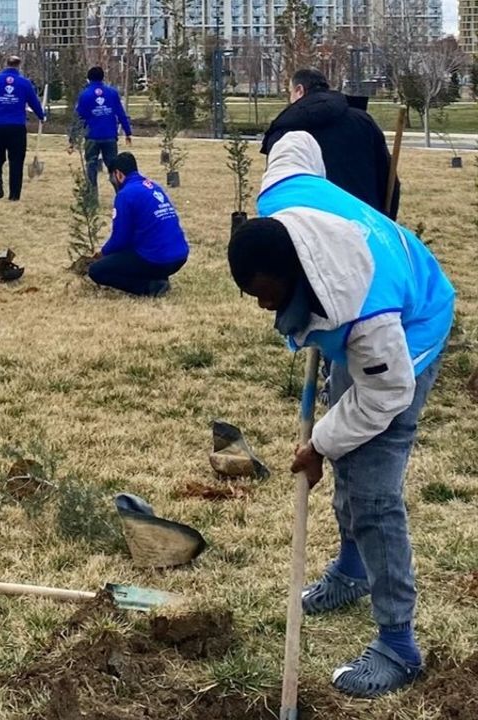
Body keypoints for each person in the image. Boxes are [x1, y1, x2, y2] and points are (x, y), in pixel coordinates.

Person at [228, 131, 455, 699]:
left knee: (372, 487)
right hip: (359, 310)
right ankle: (353, 571)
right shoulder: (280, 200)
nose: (264, 306)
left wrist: (320, 445)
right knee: (345, 437)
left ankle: (398, 645)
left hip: (411, 326)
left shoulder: (368, 320)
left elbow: (384, 394)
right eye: (254, 296)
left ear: (295, 272)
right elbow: (295, 146)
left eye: (268, 294)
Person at [262, 68, 399, 219]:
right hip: (364, 220)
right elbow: (388, 179)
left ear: (299, 90)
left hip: (309, 224)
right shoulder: (363, 121)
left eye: (290, 92)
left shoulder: (285, 132)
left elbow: (277, 188)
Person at [86, 153, 187, 297]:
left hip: (158, 258)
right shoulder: (153, 186)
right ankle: (157, 277)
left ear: (118, 174)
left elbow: (120, 239)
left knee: (97, 271)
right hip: (180, 256)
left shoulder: (125, 195)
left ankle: (150, 287)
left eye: (112, 178)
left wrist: (102, 254)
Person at [0, 55, 45, 201]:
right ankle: (14, 195)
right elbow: (34, 102)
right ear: (19, 65)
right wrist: (41, 115)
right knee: (17, 161)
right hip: (17, 128)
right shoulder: (25, 83)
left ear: (5, 64)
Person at [73, 66, 132, 197]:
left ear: (88, 79)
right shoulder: (112, 93)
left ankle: (92, 197)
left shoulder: (85, 95)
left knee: (91, 166)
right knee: (113, 167)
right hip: (109, 136)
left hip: (92, 136)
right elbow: (121, 114)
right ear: (102, 77)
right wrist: (128, 132)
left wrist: (73, 138)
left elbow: (78, 118)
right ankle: (121, 195)